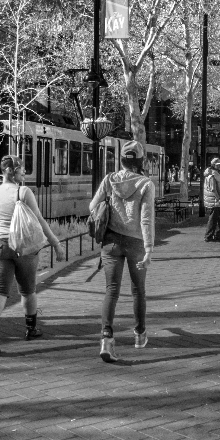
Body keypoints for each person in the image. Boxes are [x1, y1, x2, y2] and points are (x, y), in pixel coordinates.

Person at [0, 155, 65, 356]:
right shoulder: (23, 191)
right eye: (21, 169)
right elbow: (38, 220)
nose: (24, 172)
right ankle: (31, 329)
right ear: (11, 171)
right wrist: (56, 243)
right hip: (23, 246)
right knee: (28, 291)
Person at [89, 140, 156, 363]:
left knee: (112, 290)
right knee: (138, 290)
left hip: (110, 242)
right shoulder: (146, 184)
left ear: (122, 160)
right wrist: (148, 249)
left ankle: (106, 339)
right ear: (139, 161)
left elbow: (92, 206)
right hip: (136, 242)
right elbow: (146, 219)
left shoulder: (109, 180)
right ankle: (139, 334)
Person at [203, 158, 220, 242]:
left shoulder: (215, 173)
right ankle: (209, 236)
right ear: (213, 165)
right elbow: (213, 188)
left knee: (219, 218)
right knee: (214, 218)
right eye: (218, 164)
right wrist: (218, 197)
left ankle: (216, 234)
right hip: (215, 200)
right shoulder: (212, 175)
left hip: (216, 200)